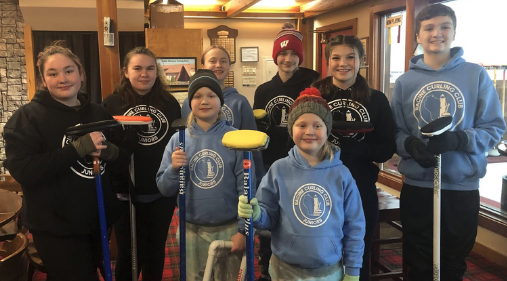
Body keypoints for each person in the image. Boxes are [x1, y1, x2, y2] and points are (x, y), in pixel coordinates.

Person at [390, 4, 506, 280]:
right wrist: (410, 146)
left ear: (454, 32)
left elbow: (494, 127)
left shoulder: (475, 75)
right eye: (428, 28)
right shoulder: (405, 82)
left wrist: (460, 138)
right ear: (418, 35)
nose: (436, 33)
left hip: (460, 187)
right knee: (418, 261)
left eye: (444, 27)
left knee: (453, 261)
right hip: (418, 186)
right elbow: (395, 131)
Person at [3, 43, 124, 281]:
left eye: (69, 71)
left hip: (97, 218)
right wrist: (75, 150)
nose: (63, 78)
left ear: (81, 73)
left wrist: (114, 153)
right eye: (53, 73)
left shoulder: (99, 113)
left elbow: (121, 160)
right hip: (55, 226)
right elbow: (24, 170)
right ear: (43, 79)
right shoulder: (27, 118)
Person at [238, 88, 365, 281]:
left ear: (327, 129)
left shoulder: (342, 174)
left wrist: (353, 270)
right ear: (291, 128)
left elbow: (354, 226)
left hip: (330, 271)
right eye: (301, 125)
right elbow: (268, 217)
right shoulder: (278, 169)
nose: (309, 132)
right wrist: (257, 214)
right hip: (285, 270)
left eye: (317, 125)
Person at [312, 34, 396, 280]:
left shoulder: (376, 99)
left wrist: (359, 150)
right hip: (321, 183)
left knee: (359, 251)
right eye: (336, 57)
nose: (343, 63)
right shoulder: (315, 95)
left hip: (360, 187)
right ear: (328, 61)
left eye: (351, 57)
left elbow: (386, 148)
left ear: (361, 60)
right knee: (322, 249)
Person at [156, 69, 253, 281]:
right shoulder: (179, 140)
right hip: (191, 230)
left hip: (228, 227)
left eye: (211, 95)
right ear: (190, 102)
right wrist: (173, 169)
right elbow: (164, 188)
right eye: (198, 96)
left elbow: (245, 188)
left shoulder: (236, 138)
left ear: (221, 102)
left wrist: (243, 230)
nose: (205, 101)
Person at [102, 46, 181, 281]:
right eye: (137, 68)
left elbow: (173, 142)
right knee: (128, 252)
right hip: (125, 192)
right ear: (126, 72)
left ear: (157, 73)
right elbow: (107, 146)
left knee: (155, 250)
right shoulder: (112, 103)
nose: (144, 74)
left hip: (160, 191)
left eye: (150, 68)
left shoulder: (169, 103)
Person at [252, 22, 320, 280]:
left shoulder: (312, 85)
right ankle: (267, 268)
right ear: (276, 56)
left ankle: (296, 265)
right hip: (271, 163)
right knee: (269, 215)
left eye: (293, 54)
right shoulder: (264, 90)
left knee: (298, 216)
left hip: (304, 163)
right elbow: (260, 131)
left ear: (299, 57)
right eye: (282, 54)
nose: (288, 59)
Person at [181, 45, 265, 185]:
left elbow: (252, 144)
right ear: (203, 65)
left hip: (233, 173)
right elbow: (186, 139)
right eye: (212, 61)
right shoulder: (189, 103)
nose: (218, 65)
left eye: (224, 61)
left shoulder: (240, 102)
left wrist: (259, 178)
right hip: (198, 173)